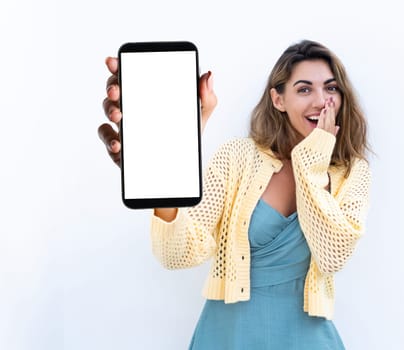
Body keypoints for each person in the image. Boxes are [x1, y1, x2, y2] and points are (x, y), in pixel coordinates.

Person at [99, 39, 371, 350]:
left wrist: (312, 159)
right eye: (304, 89)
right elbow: (178, 255)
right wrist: (167, 179)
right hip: (229, 335)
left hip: (307, 337)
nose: (321, 101)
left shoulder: (351, 172)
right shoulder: (237, 157)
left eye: (331, 89)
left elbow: (333, 254)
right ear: (278, 100)